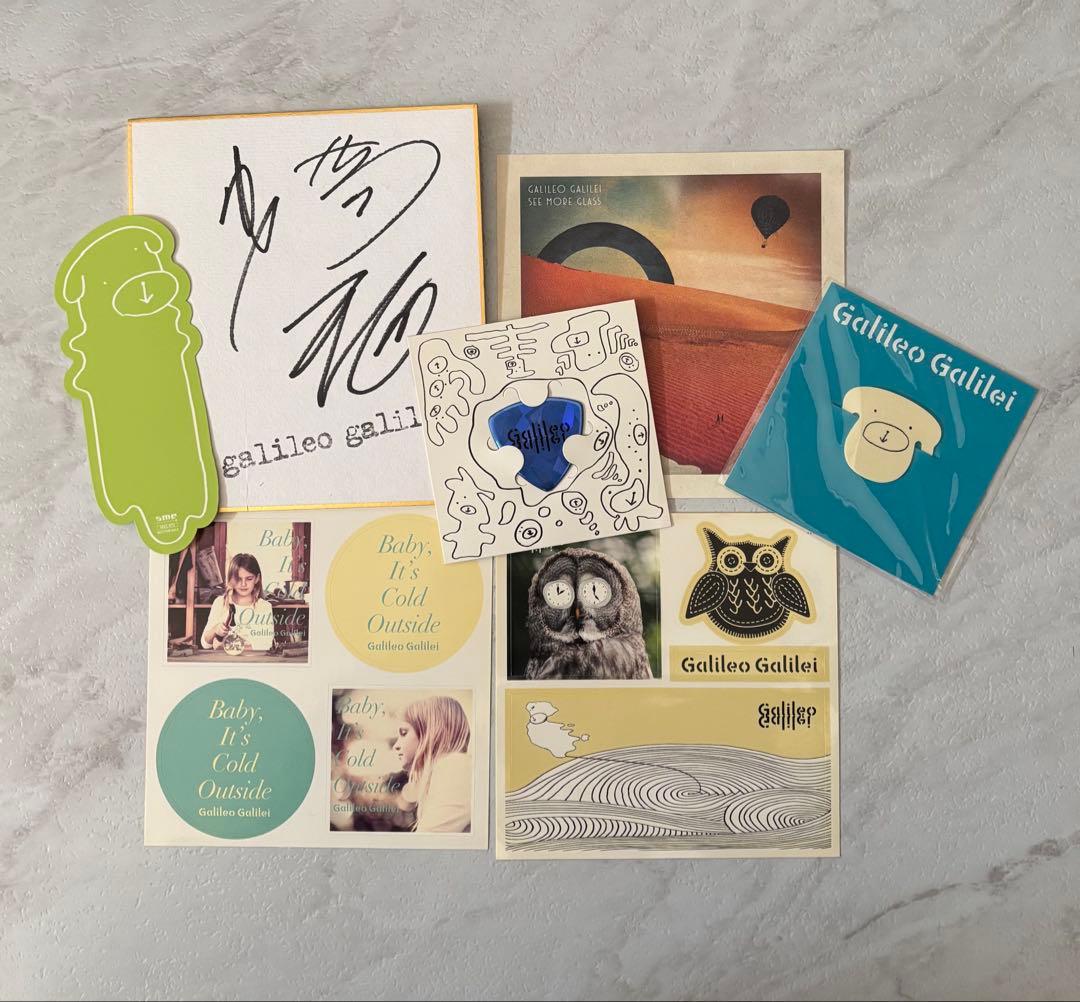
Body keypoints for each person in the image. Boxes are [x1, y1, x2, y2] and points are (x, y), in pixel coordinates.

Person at [392, 696, 472, 833]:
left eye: (404, 733)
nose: (396, 746)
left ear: (431, 732)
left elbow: (430, 839)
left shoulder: (455, 766)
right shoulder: (448, 770)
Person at [200, 553, 275, 652]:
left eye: (249, 579)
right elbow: (205, 644)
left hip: (253, 661)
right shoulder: (220, 603)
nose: (243, 584)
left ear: (257, 578)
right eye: (238, 579)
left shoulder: (264, 607)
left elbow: (266, 645)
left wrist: (225, 646)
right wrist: (215, 629)